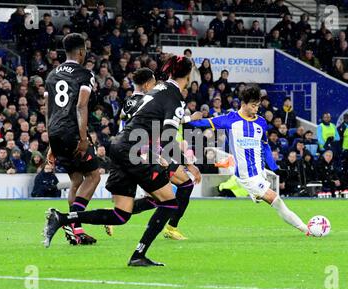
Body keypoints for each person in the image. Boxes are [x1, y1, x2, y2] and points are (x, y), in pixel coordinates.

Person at [44, 55, 202, 267]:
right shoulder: (174, 98)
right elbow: (167, 136)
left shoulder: (158, 90)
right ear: (189, 75)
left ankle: (62, 219)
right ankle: (139, 255)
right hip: (134, 150)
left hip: (120, 146)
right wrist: (188, 164)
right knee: (169, 203)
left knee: (121, 214)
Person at [190, 86, 309, 234]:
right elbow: (201, 123)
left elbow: (265, 147)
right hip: (246, 175)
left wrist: (275, 168)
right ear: (243, 104)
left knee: (262, 196)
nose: (256, 109)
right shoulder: (229, 119)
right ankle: (306, 229)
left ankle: (255, 194)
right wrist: (190, 118)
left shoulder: (261, 122)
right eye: (253, 105)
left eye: (258, 105)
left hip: (260, 172)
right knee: (276, 200)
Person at [117, 67, 202, 240]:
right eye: (155, 83)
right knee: (184, 185)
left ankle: (114, 215)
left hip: (138, 150)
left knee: (156, 199)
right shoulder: (149, 100)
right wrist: (190, 119)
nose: (157, 87)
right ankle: (170, 228)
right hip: (150, 152)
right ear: (148, 84)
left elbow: (125, 120)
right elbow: (164, 123)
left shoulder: (129, 102)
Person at [44, 33, 101, 246]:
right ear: (81, 52)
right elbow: (80, 105)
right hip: (72, 133)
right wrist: (83, 138)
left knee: (77, 179)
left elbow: (48, 111)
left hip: (56, 134)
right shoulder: (84, 74)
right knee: (93, 176)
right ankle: (69, 220)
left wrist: (51, 142)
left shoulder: (51, 75)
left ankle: (75, 232)